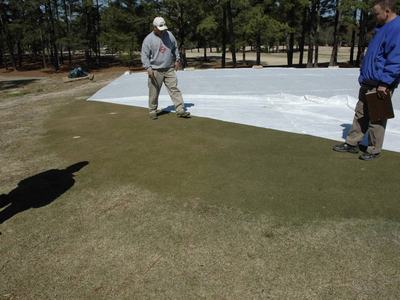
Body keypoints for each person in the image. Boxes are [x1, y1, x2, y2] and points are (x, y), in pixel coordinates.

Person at [333, 0, 400, 161]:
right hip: (368, 81)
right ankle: (352, 143)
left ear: (387, 11)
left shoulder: (397, 29)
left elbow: (396, 59)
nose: (374, 17)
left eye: (377, 13)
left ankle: (373, 149)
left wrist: (385, 83)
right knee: (360, 113)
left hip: (381, 83)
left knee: (377, 118)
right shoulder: (381, 28)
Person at [141, 17, 190, 120]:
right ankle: (152, 110)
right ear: (154, 27)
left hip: (169, 68)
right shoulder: (148, 39)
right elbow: (144, 55)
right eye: (160, 28)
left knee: (174, 89)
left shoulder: (169, 35)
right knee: (154, 91)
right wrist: (148, 68)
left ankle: (180, 109)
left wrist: (177, 60)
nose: (162, 30)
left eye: (163, 27)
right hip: (155, 70)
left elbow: (175, 47)